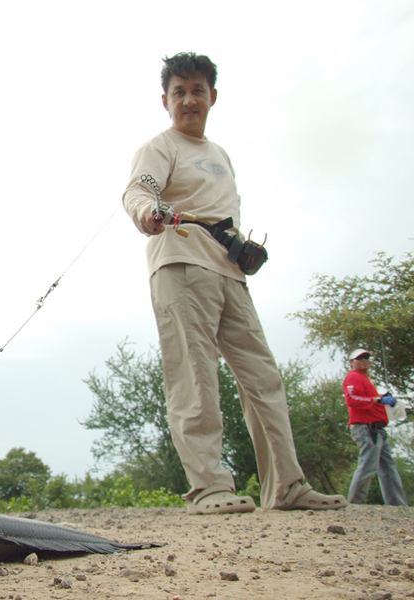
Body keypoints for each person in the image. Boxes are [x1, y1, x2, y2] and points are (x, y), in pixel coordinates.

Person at [122, 52, 347, 514]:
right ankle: (210, 487)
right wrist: (146, 212)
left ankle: (287, 485)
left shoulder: (219, 155)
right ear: (165, 100)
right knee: (195, 377)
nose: (189, 99)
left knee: (264, 379)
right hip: (181, 265)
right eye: (179, 91)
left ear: (213, 97)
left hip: (230, 273)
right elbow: (139, 189)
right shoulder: (159, 147)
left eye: (197, 90)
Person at [343, 348, 408, 505]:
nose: (364, 359)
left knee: (387, 466)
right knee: (367, 465)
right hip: (366, 428)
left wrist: (380, 398)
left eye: (367, 357)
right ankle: (354, 503)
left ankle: (397, 505)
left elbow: (367, 399)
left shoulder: (365, 379)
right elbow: (352, 400)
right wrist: (378, 400)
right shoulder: (353, 377)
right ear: (351, 362)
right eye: (360, 358)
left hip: (377, 428)